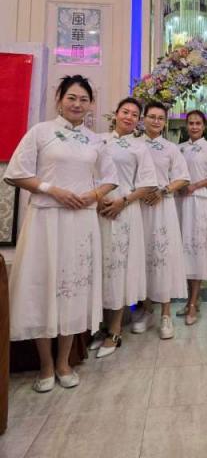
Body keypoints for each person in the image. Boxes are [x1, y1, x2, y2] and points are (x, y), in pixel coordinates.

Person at [4, 75, 118, 391]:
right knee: (43, 286)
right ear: (59, 99)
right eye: (72, 97)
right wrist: (52, 190)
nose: (77, 104)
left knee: (73, 287)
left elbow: (110, 178)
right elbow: (16, 173)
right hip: (45, 220)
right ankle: (45, 365)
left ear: (91, 104)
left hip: (80, 221)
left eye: (83, 99)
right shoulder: (40, 132)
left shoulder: (95, 141)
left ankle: (64, 362)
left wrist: (93, 195)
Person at [93, 97, 157, 358]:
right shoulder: (98, 141)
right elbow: (88, 173)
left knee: (120, 268)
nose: (129, 117)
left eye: (134, 114)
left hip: (126, 210)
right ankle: (100, 326)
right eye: (125, 112)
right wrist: (97, 199)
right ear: (116, 114)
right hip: (98, 209)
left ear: (138, 121)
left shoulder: (139, 147)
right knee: (101, 266)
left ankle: (115, 329)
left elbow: (148, 183)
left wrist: (123, 201)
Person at [134, 102, 190, 339]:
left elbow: (183, 178)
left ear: (165, 122)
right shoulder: (134, 144)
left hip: (162, 206)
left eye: (160, 118)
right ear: (143, 119)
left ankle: (166, 314)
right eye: (152, 117)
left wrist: (163, 190)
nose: (156, 121)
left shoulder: (171, 148)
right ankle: (147, 310)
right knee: (142, 256)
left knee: (163, 257)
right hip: (138, 206)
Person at [176, 110, 207, 325]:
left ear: (204, 126)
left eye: (198, 123)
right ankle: (190, 299)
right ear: (186, 125)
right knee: (184, 251)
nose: (194, 127)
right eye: (191, 123)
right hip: (180, 203)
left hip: (199, 202)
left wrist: (194, 185)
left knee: (197, 251)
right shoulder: (179, 148)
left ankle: (194, 303)